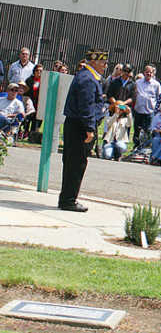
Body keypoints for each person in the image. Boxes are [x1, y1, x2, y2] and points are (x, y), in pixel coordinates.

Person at [59, 50, 108, 212]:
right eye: (103, 63)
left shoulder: (87, 76)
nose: (105, 66)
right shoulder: (87, 79)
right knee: (76, 164)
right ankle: (68, 200)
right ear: (93, 62)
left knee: (73, 163)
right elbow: (86, 106)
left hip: (76, 125)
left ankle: (67, 198)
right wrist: (89, 128)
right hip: (80, 127)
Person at [133, 65, 161, 144]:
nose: (149, 74)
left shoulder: (156, 84)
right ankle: (136, 147)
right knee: (137, 131)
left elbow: (159, 98)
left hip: (150, 112)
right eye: (147, 72)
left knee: (148, 131)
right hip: (138, 111)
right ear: (144, 72)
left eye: (150, 72)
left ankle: (145, 148)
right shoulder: (138, 82)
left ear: (153, 74)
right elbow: (134, 95)